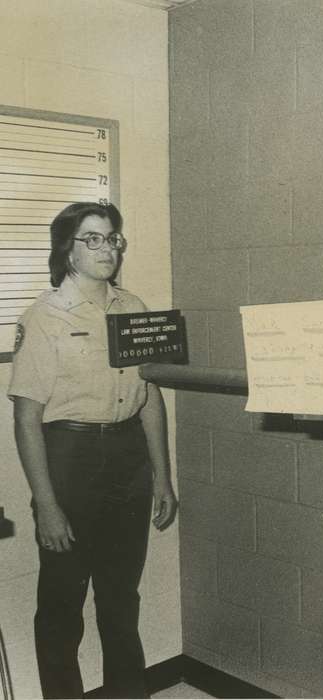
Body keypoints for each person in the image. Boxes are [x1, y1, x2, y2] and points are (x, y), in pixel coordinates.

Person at [8, 202, 178, 699]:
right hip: (69, 459)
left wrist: (162, 476)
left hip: (128, 458)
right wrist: (47, 506)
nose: (108, 249)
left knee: (121, 600)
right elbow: (25, 418)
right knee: (62, 606)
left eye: (113, 239)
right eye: (94, 239)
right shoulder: (45, 316)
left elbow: (149, 397)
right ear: (68, 249)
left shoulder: (133, 309)